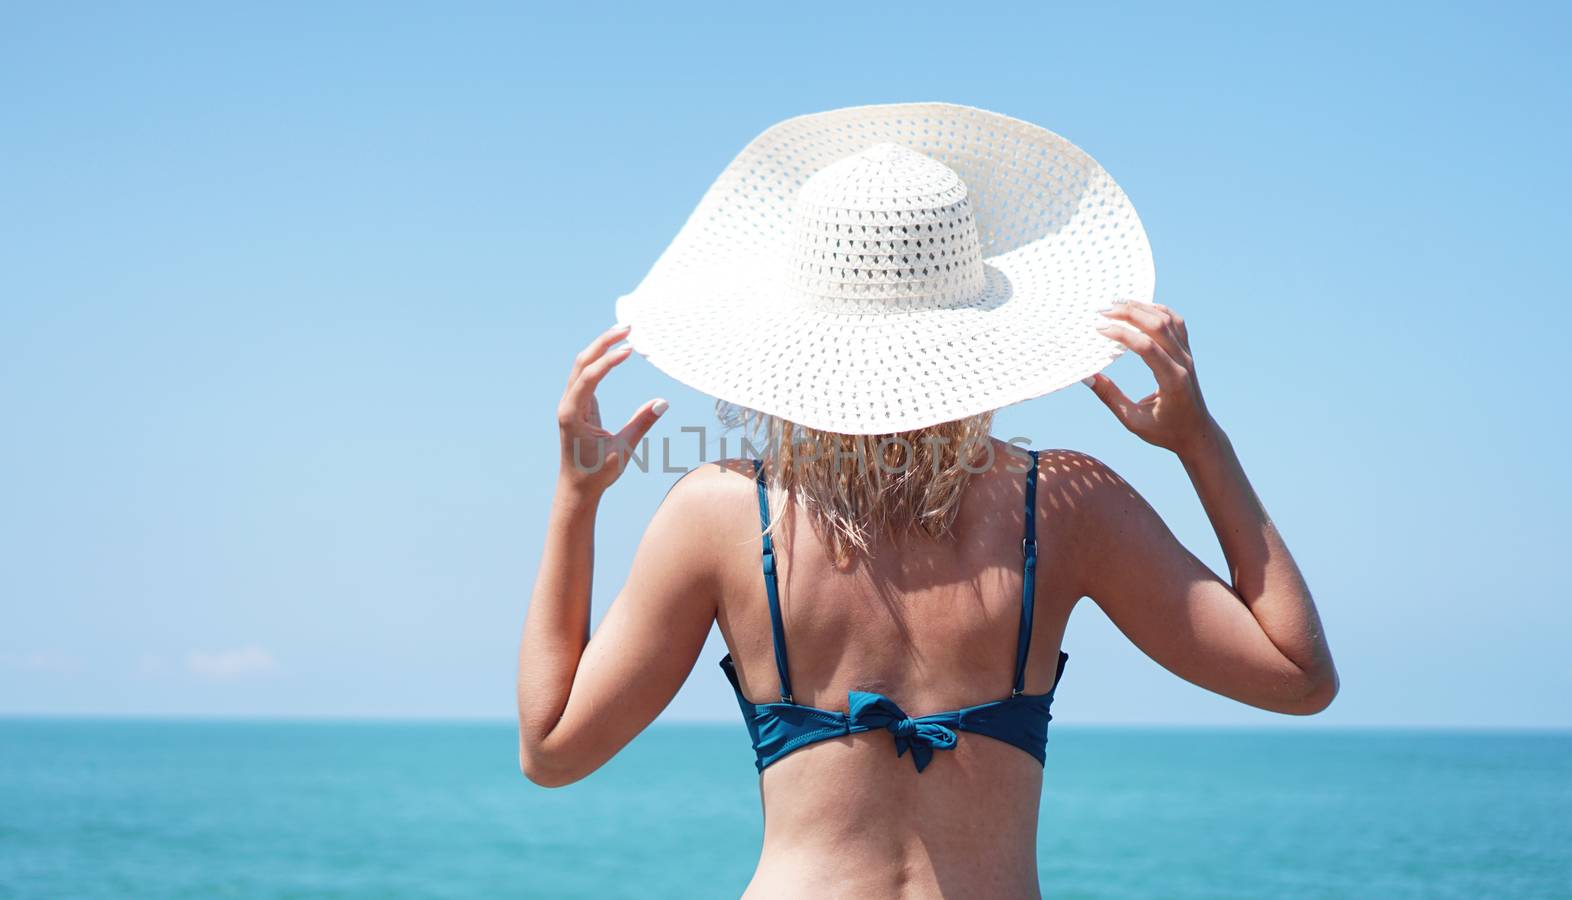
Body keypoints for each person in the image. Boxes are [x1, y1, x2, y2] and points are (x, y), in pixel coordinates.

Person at [516, 104, 1336, 898]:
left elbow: (552, 752)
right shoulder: (1064, 506)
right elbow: (1299, 678)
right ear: (978, 334)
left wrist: (576, 496)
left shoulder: (725, 515)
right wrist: (1201, 442)